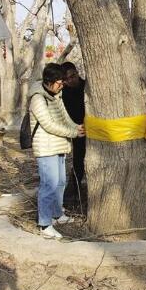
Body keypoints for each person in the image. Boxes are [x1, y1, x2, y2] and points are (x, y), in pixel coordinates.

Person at [29, 63, 85, 239]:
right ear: (49, 81)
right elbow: (49, 124)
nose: (63, 85)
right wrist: (73, 133)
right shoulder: (38, 98)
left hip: (59, 144)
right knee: (49, 185)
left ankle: (57, 214)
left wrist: (77, 127)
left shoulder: (57, 94)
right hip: (46, 147)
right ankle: (45, 224)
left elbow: (64, 117)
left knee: (60, 181)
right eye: (60, 82)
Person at [60, 61, 86, 200]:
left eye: (73, 76)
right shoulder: (62, 93)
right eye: (67, 79)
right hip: (77, 130)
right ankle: (75, 187)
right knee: (78, 160)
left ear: (77, 72)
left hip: (94, 128)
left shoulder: (87, 86)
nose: (71, 80)